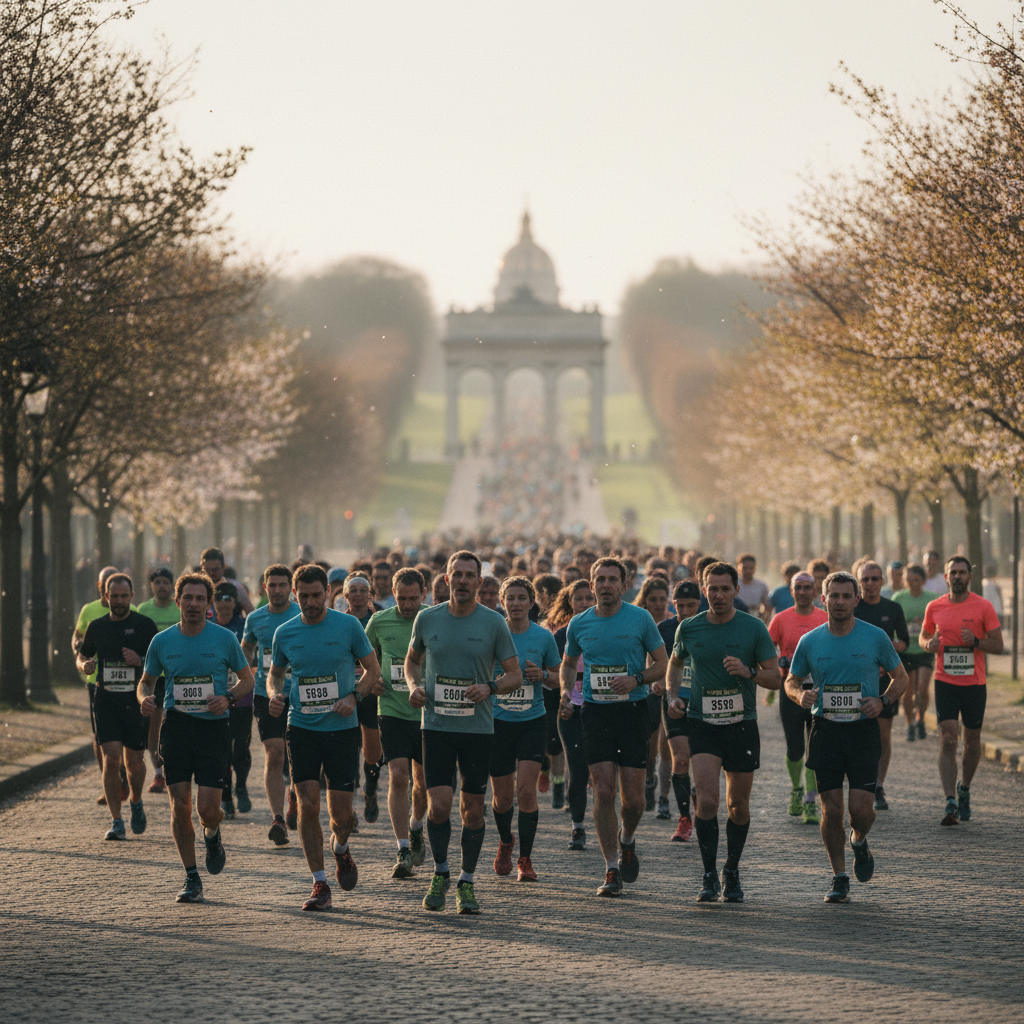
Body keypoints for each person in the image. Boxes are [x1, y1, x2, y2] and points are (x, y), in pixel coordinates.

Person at [406, 550, 521, 915]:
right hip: (436, 726)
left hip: (477, 729)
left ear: (480, 582)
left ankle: (467, 882)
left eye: (470, 575)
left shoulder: (494, 623)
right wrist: (413, 685)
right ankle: (441, 872)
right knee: (438, 806)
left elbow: (514, 675)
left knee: (472, 811)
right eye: (457, 574)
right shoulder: (427, 619)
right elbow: (412, 661)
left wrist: (490, 687)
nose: (463, 581)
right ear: (446, 579)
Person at [786, 571, 908, 903]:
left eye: (846, 596)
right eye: (833, 596)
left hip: (861, 732)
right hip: (825, 730)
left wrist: (882, 701)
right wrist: (801, 696)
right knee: (831, 809)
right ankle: (839, 877)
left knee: (862, 811)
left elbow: (900, 678)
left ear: (856, 599)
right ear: (822, 599)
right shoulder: (810, 641)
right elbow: (791, 681)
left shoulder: (876, 637)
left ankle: (858, 841)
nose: (839, 601)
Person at [267, 563, 382, 911]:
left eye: (317, 595)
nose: (310, 602)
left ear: (328, 594)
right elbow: (275, 674)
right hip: (301, 727)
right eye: (303, 596)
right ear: (294, 595)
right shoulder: (285, 632)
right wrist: (275, 693)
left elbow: (372, 670)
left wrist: (354, 696)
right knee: (307, 804)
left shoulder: (347, 626)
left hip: (342, 731)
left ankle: (341, 849)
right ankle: (319, 882)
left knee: (342, 818)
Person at [137, 571, 255, 904]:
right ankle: (191, 877)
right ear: (177, 601)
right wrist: (142, 697)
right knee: (179, 806)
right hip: (176, 727)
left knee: (208, 809)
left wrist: (228, 698)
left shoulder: (224, 639)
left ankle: (213, 834)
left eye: (200, 599)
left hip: (213, 728)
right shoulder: (162, 641)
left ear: (209, 605)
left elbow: (247, 680)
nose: (193, 604)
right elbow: (146, 682)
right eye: (187, 598)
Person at [667, 561, 780, 903]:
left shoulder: (754, 628)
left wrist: (748, 672)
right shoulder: (689, 628)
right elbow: (674, 662)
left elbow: (774, 678)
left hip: (742, 724)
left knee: (738, 806)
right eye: (712, 589)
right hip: (702, 725)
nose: (718, 595)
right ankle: (708, 874)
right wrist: (672, 695)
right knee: (708, 801)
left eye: (725, 589)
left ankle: (731, 869)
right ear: (704, 590)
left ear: (735, 591)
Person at [560, 557, 668, 897]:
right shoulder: (580, 623)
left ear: (624, 585)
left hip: (633, 711)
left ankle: (627, 839)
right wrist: (566, 690)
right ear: (591, 586)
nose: (606, 585)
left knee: (634, 799)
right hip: (595, 713)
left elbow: (662, 665)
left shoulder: (640, 619)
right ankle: (610, 868)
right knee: (604, 791)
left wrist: (636, 678)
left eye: (612, 579)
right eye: (600, 580)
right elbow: (567, 664)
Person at [919, 556, 1003, 826]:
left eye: (962, 572)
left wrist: (977, 641)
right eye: (952, 572)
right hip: (945, 681)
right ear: (945, 577)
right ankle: (950, 800)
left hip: (974, 684)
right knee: (948, 738)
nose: (957, 576)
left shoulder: (983, 606)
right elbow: (923, 636)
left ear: (969, 577)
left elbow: (999, 646)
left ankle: (964, 786)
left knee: (972, 740)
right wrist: (928, 644)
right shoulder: (935, 606)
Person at [489, 576, 561, 882]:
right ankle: (506, 841)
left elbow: (558, 678)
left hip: (532, 721)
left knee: (526, 791)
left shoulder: (543, 637)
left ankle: (525, 859)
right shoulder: (491, 634)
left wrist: (543, 674)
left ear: (532, 602)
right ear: (502, 601)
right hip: (497, 722)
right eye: (510, 598)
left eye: (522, 598)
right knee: (503, 798)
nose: (516, 603)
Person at [77, 574, 159, 840]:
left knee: (134, 761)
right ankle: (116, 820)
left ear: (132, 596)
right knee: (111, 760)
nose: (119, 601)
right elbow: (83, 654)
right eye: (114, 596)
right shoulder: (96, 626)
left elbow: (160, 662)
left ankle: (135, 801)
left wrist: (141, 660)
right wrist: (85, 665)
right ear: (106, 597)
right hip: (106, 700)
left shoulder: (145, 625)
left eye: (124, 596)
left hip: (135, 701)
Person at [364, 567, 430, 879]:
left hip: (428, 714)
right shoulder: (378, 621)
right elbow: (365, 661)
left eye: (413, 598)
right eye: (401, 598)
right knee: (399, 776)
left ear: (425, 594)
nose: (407, 605)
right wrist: (372, 681)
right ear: (393, 593)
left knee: (424, 783)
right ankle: (403, 847)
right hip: (391, 710)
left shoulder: (434, 619)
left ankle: (417, 826)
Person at [241, 564, 301, 845]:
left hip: (302, 694)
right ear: (264, 588)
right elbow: (246, 650)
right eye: (272, 585)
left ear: (291, 588)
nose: (277, 590)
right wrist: (243, 674)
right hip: (268, 696)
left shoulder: (302, 615)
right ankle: (277, 818)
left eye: (282, 585)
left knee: (298, 757)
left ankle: (295, 794)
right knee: (275, 754)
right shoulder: (255, 618)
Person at [768, 571, 828, 824]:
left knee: (815, 749)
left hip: (820, 692)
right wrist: (777, 663)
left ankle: (810, 800)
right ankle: (796, 789)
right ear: (791, 591)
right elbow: (766, 649)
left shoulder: (825, 619)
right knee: (795, 748)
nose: (803, 592)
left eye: (807, 587)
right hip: (791, 691)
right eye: (798, 588)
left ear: (815, 591)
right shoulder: (781, 619)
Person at [852, 560, 909, 811]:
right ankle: (859, 782)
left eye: (875, 579)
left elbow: (905, 641)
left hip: (886, 681)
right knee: (857, 734)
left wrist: (888, 654)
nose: (871, 584)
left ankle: (878, 784)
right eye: (865, 579)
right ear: (858, 582)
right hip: (854, 683)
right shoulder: (852, 607)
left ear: (883, 581)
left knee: (883, 736)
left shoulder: (893, 607)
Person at [74, 565, 131, 804]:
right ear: (102, 589)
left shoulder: (133, 612)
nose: (116, 597)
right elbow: (78, 638)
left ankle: (126, 777)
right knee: (101, 737)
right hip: (97, 683)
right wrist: (81, 656)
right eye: (109, 587)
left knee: (126, 740)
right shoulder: (89, 612)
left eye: (121, 593)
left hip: (130, 687)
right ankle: (109, 782)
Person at [550, 579, 596, 849]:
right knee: (577, 768)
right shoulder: (560, 635)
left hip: (603, 707)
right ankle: (577, 827)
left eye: (589, 598)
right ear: (570, 602)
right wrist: (563, 693)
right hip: (571, 707)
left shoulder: (608, 631)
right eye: (579, 598)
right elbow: (554, 673)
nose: (585, 603)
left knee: (603, 771)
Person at [658, 580, 701, 842]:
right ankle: (684, 818)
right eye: (680, 606)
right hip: (674, 701)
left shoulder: (710, 627)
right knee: (681, 759)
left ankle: (700, 798)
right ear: (673, 604)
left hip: (705, 703)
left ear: (700, 604)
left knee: (704, 762)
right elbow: (654, 660)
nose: (685, 611)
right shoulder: (664, 629)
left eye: (691, 606)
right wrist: (656, 681)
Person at [342, 572, 385, 824]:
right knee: (347, 749)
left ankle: (370, 789)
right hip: (344, 691)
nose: (358, 594)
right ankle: (347, 806)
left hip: (370, 692)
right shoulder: (337, 621)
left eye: (363, 590)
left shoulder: (377, 621)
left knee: (371, 751)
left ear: (371, 595)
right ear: (345, 595)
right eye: (353, 590)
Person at [211, 581, 253, 820]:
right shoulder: (207, 626)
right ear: (213, 601)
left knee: (241, 748)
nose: (224, 602)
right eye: (220, 597)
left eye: (229, 597)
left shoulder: (245, 625)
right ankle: (226, 796)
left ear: (236, 602)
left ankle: (241, 786)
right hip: (216, 698)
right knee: (221, 749)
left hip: (242, 696)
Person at [137, 567, 180, 795]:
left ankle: (179, 768)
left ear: (172, 585)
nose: (162, 586)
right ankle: (158, 773)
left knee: (177, 724)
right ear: (151, 585)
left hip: (178, 677)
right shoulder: (144, 610)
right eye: (158, 582)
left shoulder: (179, 607)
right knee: (154, 727)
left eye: (166, 582)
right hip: (155, 678)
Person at [633, 577, 672, 817]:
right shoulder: (637, 621)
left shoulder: (672, 623)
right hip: (641, 689)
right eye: (653, 599)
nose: (658, 604)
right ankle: (649, 779)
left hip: (667, 689)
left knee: (665, 744)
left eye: (662, 599)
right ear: (645, 600)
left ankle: (663, 798)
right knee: (648, 748)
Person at [892, 565, 934, 742]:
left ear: (923, 581)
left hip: (925, 648)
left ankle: (920, 719)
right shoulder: (899, 598)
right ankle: (909, 723)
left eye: (917, 580)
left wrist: (924, 623)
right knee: (908, 692)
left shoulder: (932, 599)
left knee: (923, 688)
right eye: (909, 580)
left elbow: (937, 622)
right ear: (904, 580)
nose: (913, 584)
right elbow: (893, 624)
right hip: (907, 650)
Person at [200, 547, 254, 614]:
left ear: (224, 567)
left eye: (215, 570)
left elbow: (251, 613)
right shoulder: (198, 589)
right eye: (207, 570)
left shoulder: (235, 587)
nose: (211, 573)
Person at [736, 553, 770, 621]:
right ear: (739, 568)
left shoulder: (761, 585)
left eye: (751, 568)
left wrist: (763, 618)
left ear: (755, 568)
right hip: (736, 618)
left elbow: (767, 605)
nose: (748, 571)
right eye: (745, 568)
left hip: (754, 618)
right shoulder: (733, 584)